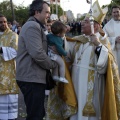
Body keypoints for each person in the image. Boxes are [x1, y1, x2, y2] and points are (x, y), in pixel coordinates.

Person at [65, 1, 120, 120]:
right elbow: (68, 57)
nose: (81, 24)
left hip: (93, 84)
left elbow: (107, 65)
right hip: (76, 82)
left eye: (85, 22)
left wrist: (98, 45)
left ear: (95, 26)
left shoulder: (102, 41)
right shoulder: (78, 40)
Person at [16, 0, 57, 120]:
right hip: (31, 77)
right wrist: (52, 64)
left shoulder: (35, 25)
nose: (48, 15)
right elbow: (37, 53)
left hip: (33, 77)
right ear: (37, 12)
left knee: (37, 114)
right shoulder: (32, 26)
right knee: (36, 115)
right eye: (47, 12)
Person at [0, 14, 19, 120]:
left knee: (9, 98)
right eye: (0, 22)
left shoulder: (13, 35)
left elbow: (17, 51)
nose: (3, 24)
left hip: (9, 72)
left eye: (4, 21)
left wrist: (2, 50)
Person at [103, 5, 120, 75]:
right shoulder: (107, 26)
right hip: (115, 53)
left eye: (117, 12)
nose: (116, 14)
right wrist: (114, 39)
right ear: (112, 13)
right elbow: (103, 39)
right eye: (114, 12)